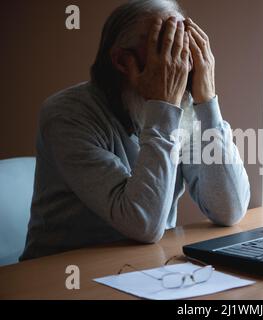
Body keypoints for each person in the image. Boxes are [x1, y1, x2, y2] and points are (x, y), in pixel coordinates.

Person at [20, 0, 250, 260]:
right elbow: (143, 224)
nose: (179, 62)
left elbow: (229, 208)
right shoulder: (66, 115)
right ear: (121, 61)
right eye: (163, 46)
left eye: (182, 44)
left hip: (144, 268)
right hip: (60, 274)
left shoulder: (181, 107)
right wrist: (162, 107)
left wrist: (207, 103)